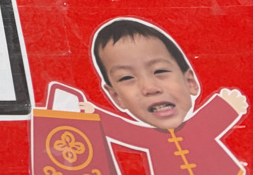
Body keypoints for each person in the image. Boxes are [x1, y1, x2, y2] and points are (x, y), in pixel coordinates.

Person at [78, 17, 248, 174]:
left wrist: (226, 105)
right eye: (126, 78)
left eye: (160, 71)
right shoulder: (145, 138)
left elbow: (212, 119)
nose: (149, 88)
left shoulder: (200, 127)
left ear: (190, 82)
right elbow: (121, 129)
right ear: (116, 97)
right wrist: (95, 115)